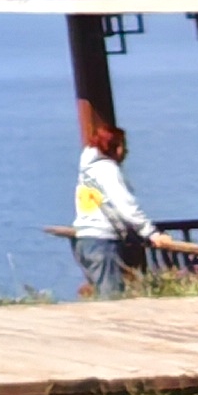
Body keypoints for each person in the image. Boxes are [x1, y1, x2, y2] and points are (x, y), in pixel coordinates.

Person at [72, 108, 156, 296]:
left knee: (103, 294)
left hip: (84, 240)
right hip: (103, 241)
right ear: (115, 147)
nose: (126, 150)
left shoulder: (87, 171)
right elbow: (126, 205)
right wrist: (151, 232)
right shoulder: (107, 170)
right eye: (123, 145)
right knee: (113, 299)